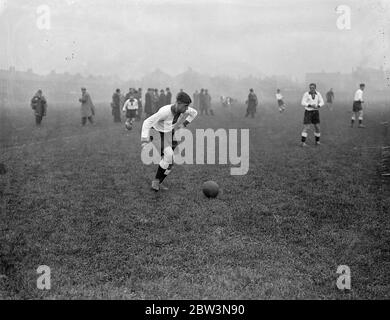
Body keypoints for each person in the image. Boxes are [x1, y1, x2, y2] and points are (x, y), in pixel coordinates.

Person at [141, 92, 198, 192]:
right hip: (157, 133)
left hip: (169, 134)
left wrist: (184, 124)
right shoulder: (164, 112)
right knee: (169, 155)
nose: (186, 109)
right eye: (185, 106)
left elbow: (194, 113)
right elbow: (147, 122)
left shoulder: (184, 109)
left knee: (170, 162)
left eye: (187, 106)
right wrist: (144, 140)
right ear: (178, 103)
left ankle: (158, 182)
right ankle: (156, 183)